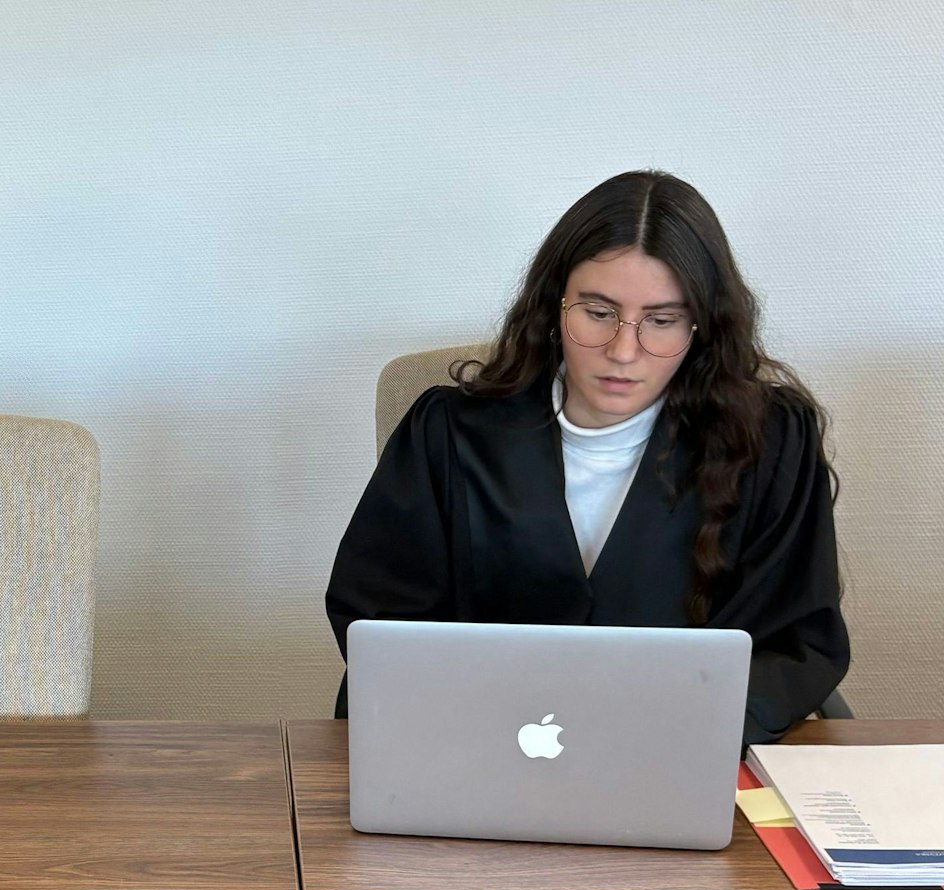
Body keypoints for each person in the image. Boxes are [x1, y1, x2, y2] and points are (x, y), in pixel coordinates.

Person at [326, 170, 847, 745]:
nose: (624, 351)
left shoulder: (770, 441)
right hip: (476, 745)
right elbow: (378, 623)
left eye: (662, 321)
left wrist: (676, 734)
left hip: (675, 754)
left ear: (702, 327)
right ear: (555, 305)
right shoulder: (449, 432)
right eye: (598, 314)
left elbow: (795, 643)